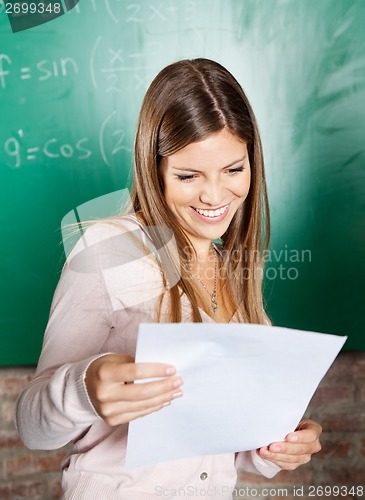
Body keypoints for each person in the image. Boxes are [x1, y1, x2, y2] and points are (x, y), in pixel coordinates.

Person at [16, 58, 322, 499]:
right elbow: (32, 426)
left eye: (234, 170)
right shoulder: (112, 248)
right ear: (154, 169)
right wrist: (85, 389)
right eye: (188, 175)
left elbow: (215, 442)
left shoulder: (233, 270)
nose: (215, 196)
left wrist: (273, 449)